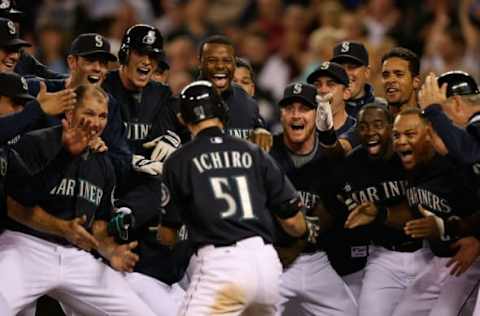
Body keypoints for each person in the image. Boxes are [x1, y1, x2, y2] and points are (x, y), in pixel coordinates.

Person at [157, 80, 311, 315]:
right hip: (267, 265)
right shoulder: (254, 152)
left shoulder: (179, 160)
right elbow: (295, 225)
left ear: (182, 119)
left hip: (222, 265)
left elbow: (167, 236)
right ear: (222, 111)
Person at [0, 85, 156, 316]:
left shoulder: (103, 163)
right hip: (26, 246)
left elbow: (99, 225)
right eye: (89, 113)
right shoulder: (36, 143)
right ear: (70, 114)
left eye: (102, 116)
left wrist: (110, 250)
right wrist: (62, 228)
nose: (96, 122)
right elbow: (13, 207)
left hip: (75, 257)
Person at [334, 104, 430, 315]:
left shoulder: (408, 156)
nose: (370, 132)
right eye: (363, 127)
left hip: (425, 254)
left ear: (390, 127)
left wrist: (379, 214)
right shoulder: (352, 165)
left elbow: (415, 213)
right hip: (383, 257)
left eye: (378, 125)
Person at [270, 82, 356, 315]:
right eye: (289, 109)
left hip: (315, 259)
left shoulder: (328, 156)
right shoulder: (266, 151)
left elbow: (330, 210)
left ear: (316, 114)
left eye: (304, 108)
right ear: (281, 114)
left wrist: (297, 245)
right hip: (271, 259)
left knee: (349, 311)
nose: (296, 115)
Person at [389, 108, 480, 316]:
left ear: (430, 134)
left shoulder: (458, 165)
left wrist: (477, 239)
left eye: (410, 134)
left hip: (469, 261)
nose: (401, 141)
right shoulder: (405, 165)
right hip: (439, 260)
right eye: (396, 135)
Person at [198, 35, 272, 151]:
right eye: (212, 60)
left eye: (227, 60)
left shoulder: (248, 103)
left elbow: (257, 125)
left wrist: (260, 130)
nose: (220, 66)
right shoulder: (184, 102)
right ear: (200, 64)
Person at [307, 61, 359, 152]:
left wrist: (326, 133)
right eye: (317, 85)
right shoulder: (303, 130)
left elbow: (341, 150)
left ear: (346, 93)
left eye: (331, 84)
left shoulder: (358, 129)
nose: (323, 90)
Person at [331, 41, 387, 118]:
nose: (346, 73)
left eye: (352, 67)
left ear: (367, 72)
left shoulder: (383, 109)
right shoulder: (322, 110)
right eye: (339, 68)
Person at [381, 47, 421, 116]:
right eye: (386, 75)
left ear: (415, 81)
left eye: (399, 75)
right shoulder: (375, 121)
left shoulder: (430, 121)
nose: (390, 80)